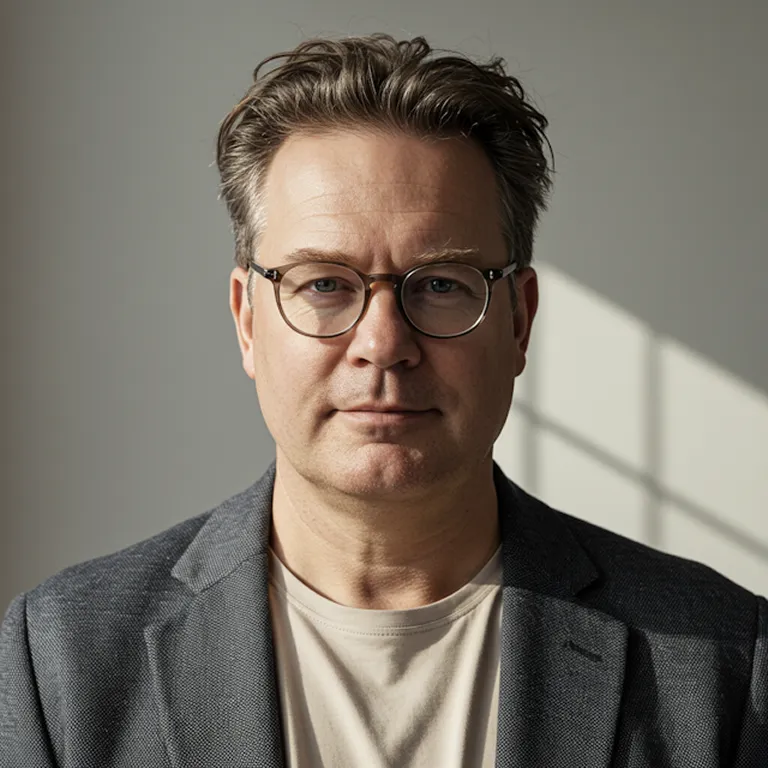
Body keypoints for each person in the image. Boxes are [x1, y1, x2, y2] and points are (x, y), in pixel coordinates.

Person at [0, 33, 765, 768]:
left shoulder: (725, 662)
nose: (383, 342)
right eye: (323, 284)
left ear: (519, 320)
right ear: (247, 320)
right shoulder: (63, 657)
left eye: (441, 285)